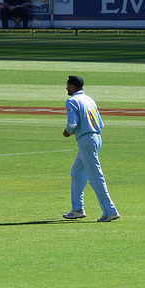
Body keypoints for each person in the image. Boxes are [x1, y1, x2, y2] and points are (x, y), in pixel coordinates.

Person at [62, 75, 120, 223]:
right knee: (77, 172)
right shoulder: (89, 99)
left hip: (86, 140)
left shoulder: (72, 101)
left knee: (95, 177)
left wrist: (67, 132)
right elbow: (100, 123)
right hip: (96, 137)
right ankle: (77, 209)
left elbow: (72, 124)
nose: (66, 87)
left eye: (68, 85)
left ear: (73, 86)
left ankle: (110, 211)